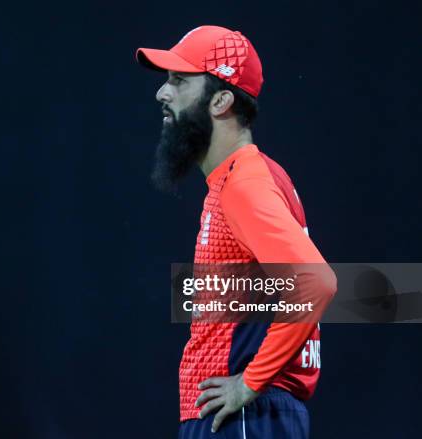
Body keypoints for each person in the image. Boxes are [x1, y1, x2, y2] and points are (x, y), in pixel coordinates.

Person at [136, 26, 337, 438]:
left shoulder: (245, 184)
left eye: (179, 80)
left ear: (222, 100)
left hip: (245, 416)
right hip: (240, 414)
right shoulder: (245, 179)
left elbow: (316, 282)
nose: (162, 93)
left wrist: (249, 382)